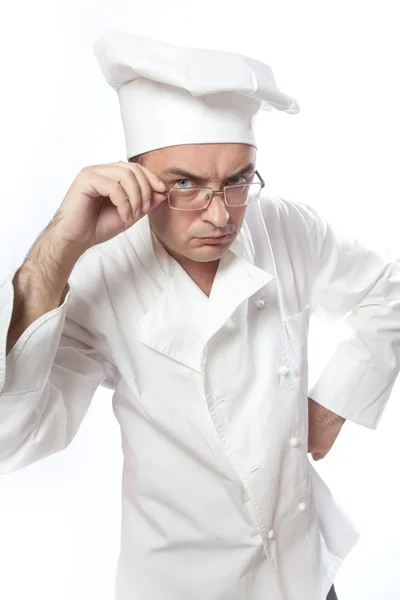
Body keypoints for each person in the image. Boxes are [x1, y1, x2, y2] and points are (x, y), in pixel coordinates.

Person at [1, 30, 399, 600]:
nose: (220, 215)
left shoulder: (283, 225)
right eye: (184, 184)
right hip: (182, 584)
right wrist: (58, 248)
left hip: (303, 571)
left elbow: (389, 289)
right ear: (135, 176)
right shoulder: (99, 273)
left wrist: (337, 400)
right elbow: (11, 438)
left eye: (237, 181)